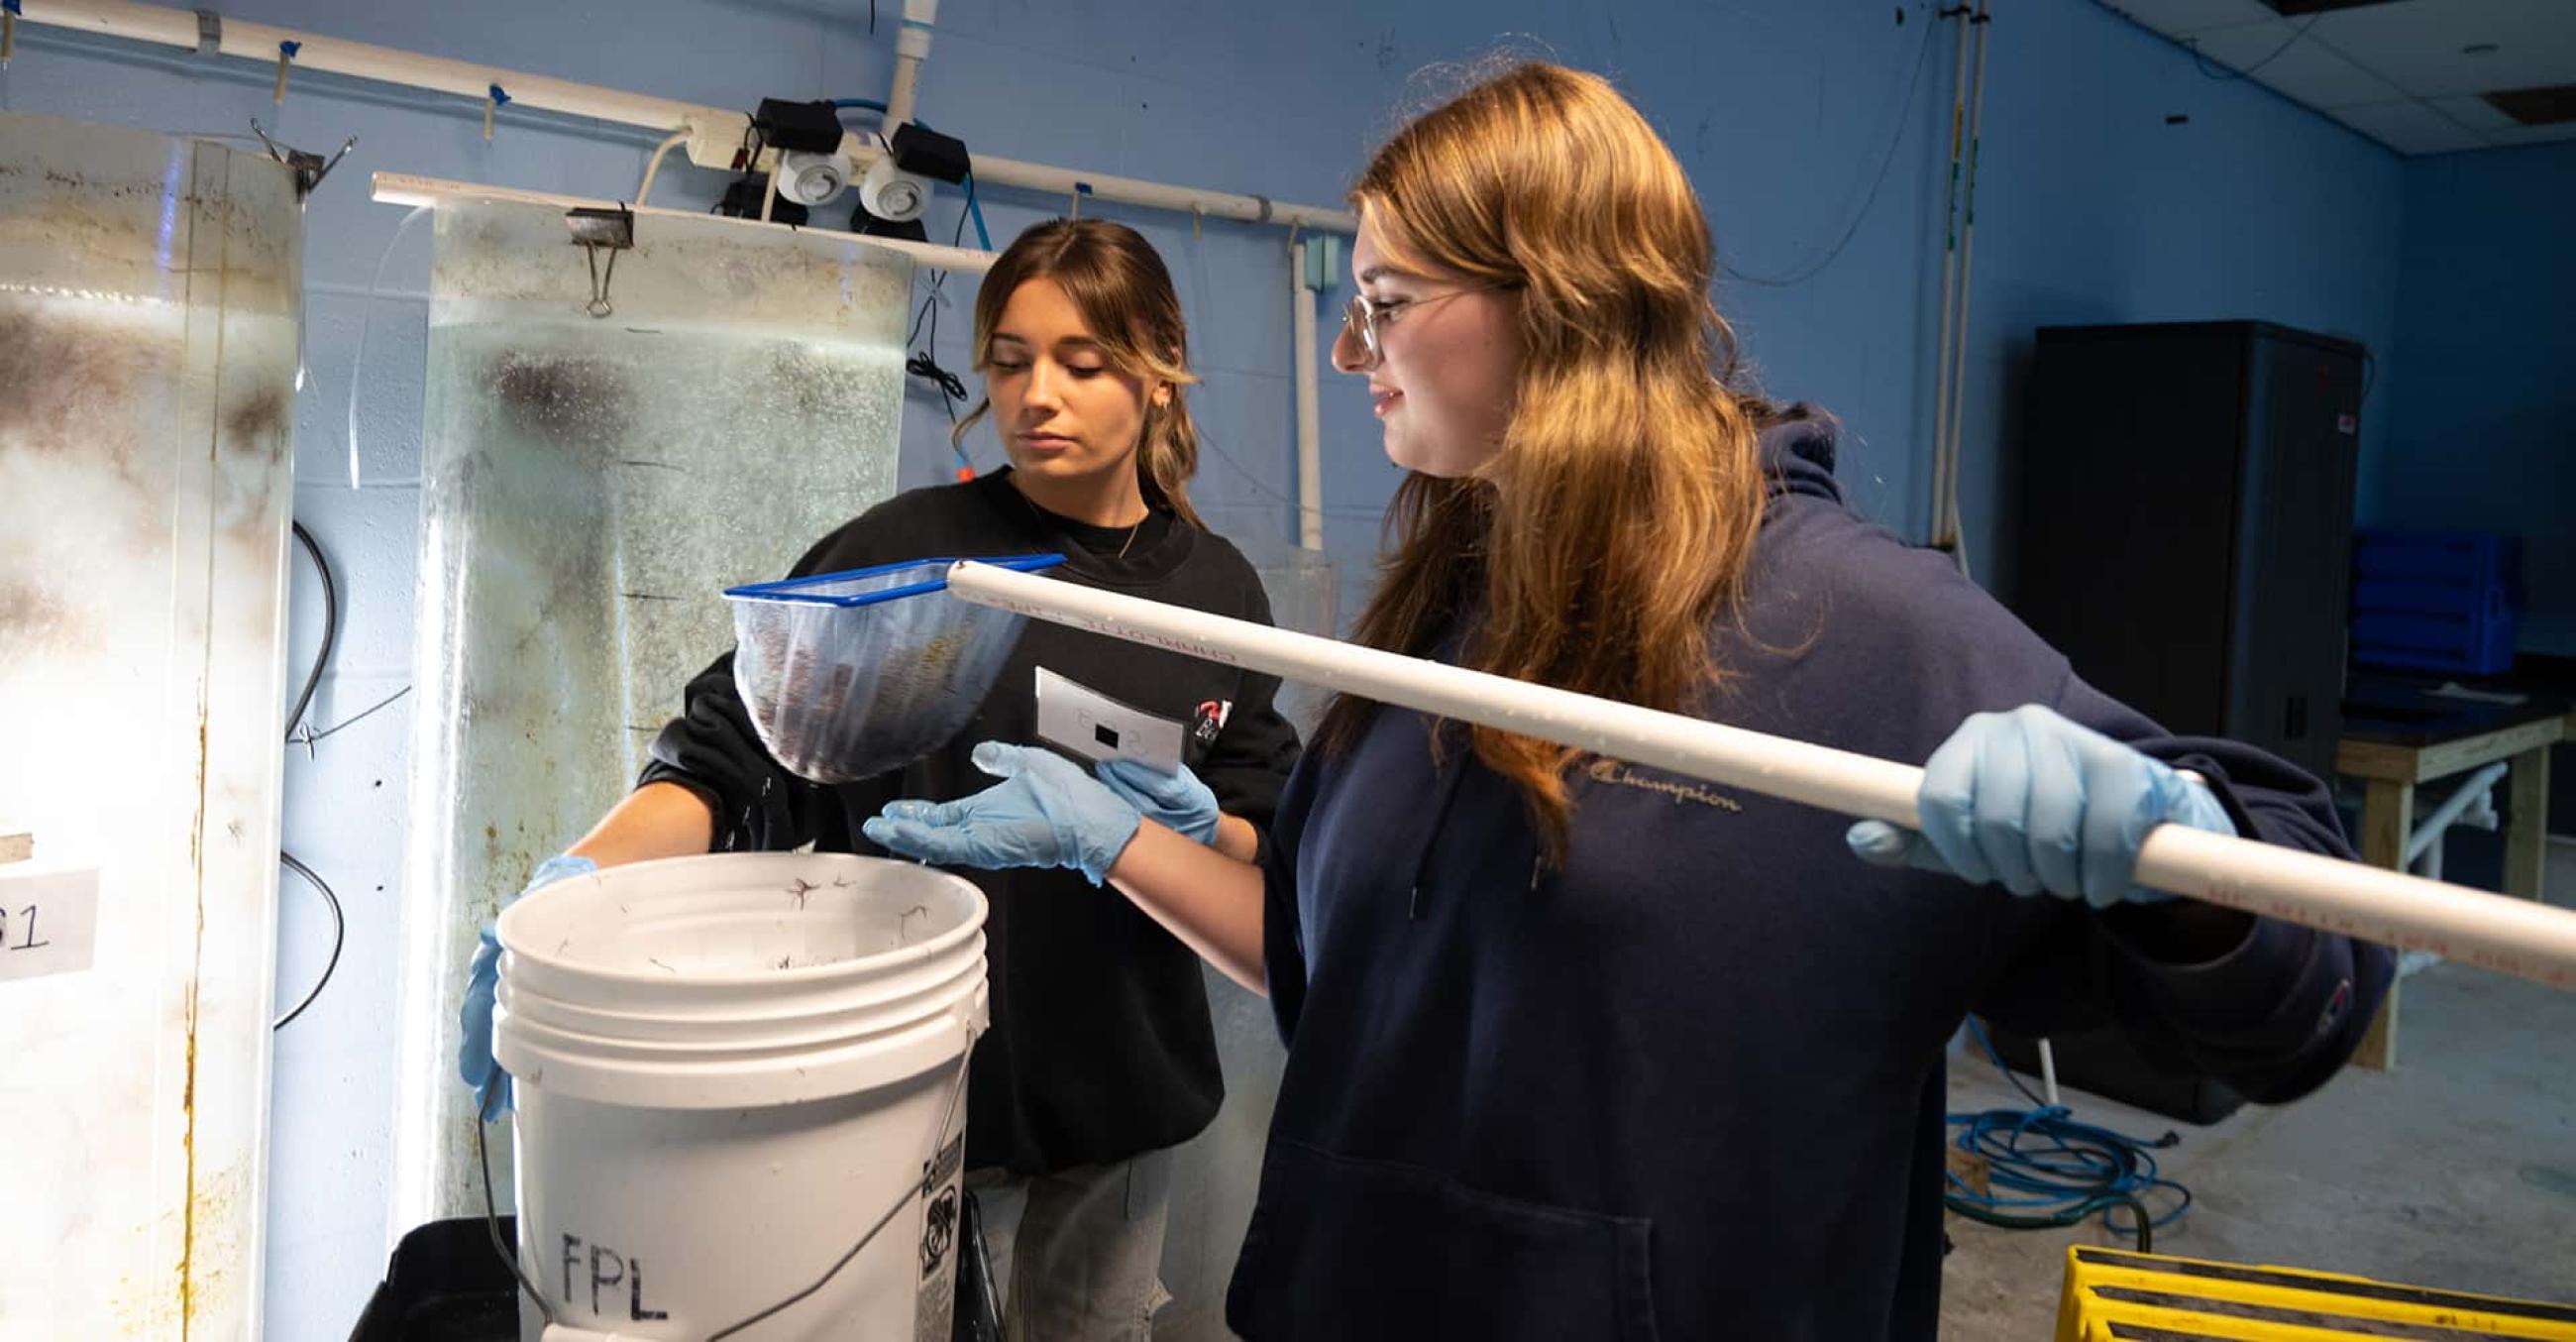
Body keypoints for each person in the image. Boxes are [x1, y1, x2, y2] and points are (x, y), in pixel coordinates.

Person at [858, 62, 2396, 1339]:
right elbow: (1340, 992)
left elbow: (2309, 992)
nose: (1347, 346)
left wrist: (2183, 867)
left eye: (1385, 299)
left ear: (1558, 303)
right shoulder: (1446, 617)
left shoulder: (1853, 630)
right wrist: (1109, 843)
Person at [456, 217, 1303, 1341]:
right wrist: (574, 887)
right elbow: (726, 756)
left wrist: (1200, 835)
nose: (1034, 393)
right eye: (1007, 360)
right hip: (900, 1094)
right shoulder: (909, 555)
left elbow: (1249, 818)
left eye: (1081, 363)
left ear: (1157, 379)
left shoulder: (1215, 594)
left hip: (1117, 1102)